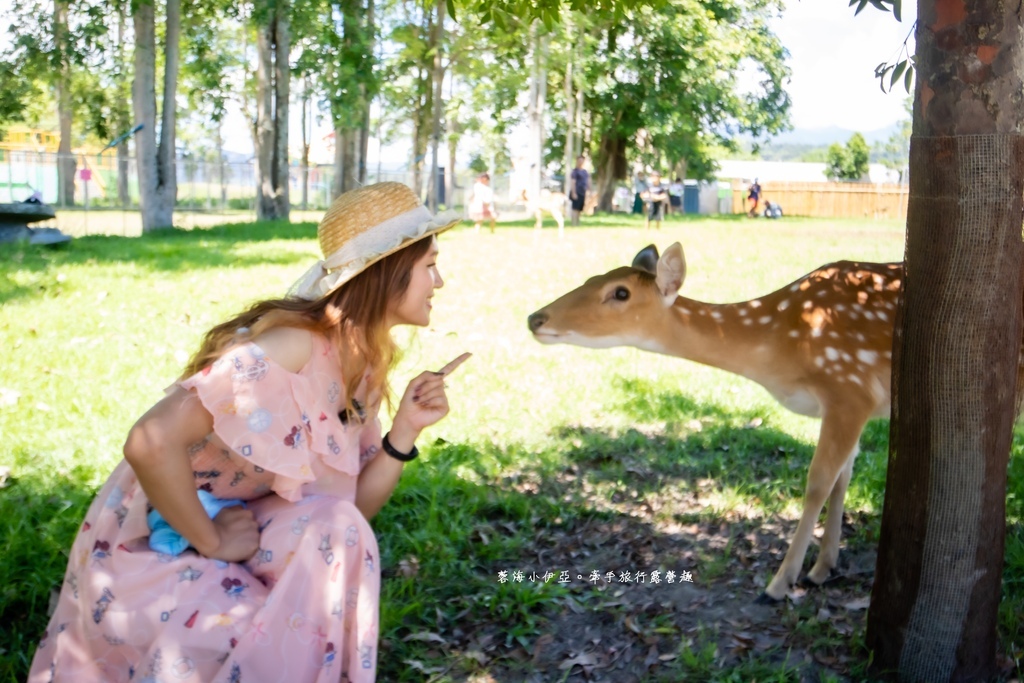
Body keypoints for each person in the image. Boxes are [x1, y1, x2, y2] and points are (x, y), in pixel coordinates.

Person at [29, 182, 471, 683]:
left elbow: (346, 512)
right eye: (430, 265)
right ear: (387, 274)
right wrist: (212, 540)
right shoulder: (291, 349)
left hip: (246, 519)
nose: (440, 282)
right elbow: (149, 442)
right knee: (243, 638)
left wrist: (404, 430)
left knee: (339, 531)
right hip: (163, 529)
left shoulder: (361, 361)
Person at [568, 155, 590, 226]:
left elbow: (588, 181)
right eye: (579, 160)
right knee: (575, 209)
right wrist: (574, 193)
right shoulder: (574, 172)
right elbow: (573, 182)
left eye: (582, 160)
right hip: (576, 191)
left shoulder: (585, 172)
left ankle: (577, 223)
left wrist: (589, 190)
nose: (581, 162)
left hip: (582, 192)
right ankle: (573, 223)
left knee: (580, 209)